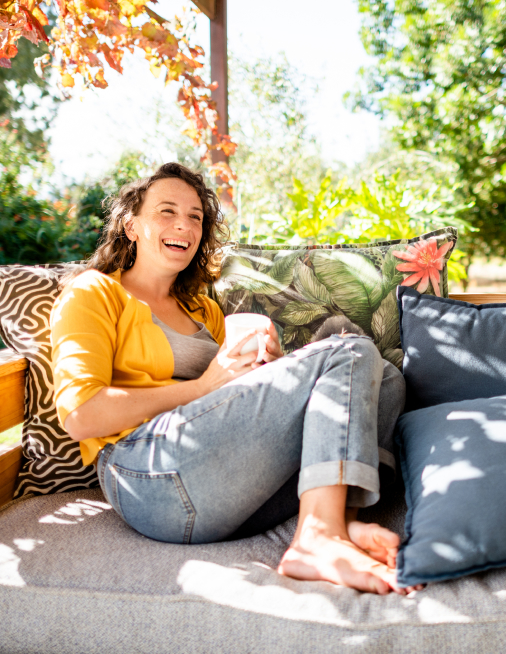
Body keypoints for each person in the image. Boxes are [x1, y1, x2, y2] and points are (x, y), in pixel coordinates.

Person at [51, 162, 423, 596]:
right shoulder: (94, 292)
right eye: (166, 211)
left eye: (195, 216)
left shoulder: (203, 310)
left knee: (385, 375)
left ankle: (340, 522)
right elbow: (81, 414)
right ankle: (318, 538)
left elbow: (239, 407)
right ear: (131, 226)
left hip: (229, 487)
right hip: (148, 478)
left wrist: (275, 363)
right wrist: (202, 386)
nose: (184, 225)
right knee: (348, 350)